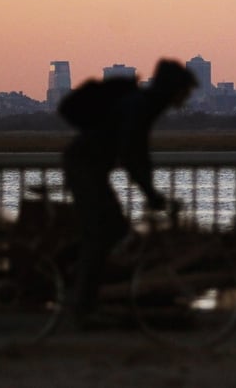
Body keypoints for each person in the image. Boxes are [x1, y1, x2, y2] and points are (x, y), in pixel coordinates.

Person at [60, 59, 198, 326]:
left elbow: (138, 155)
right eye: (184, 91)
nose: (186, 98)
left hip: (92, 167)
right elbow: (132, 154)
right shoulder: (141, 106)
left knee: (113, 229)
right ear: (173, 89)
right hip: (83, 165)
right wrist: (151, 194)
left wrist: (150, 191)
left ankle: (72, 272)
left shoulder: (146, 105)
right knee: (103, 232)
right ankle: (82, 304)